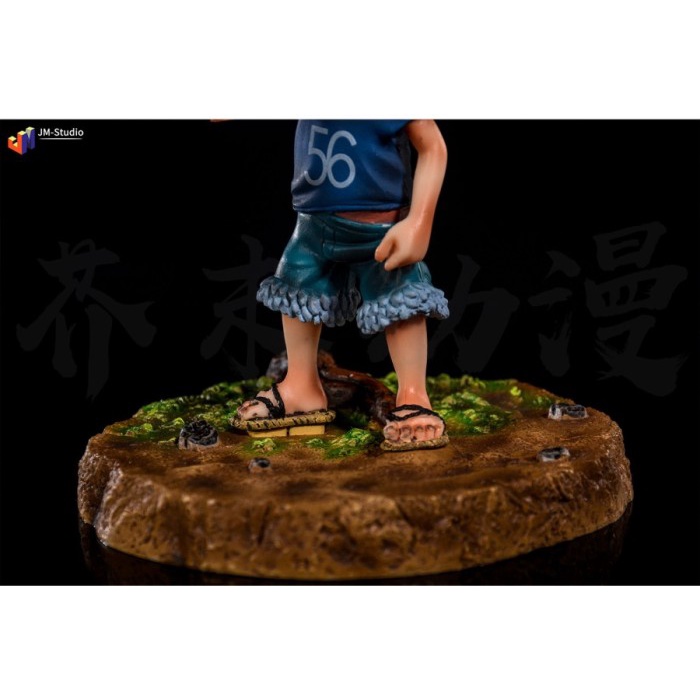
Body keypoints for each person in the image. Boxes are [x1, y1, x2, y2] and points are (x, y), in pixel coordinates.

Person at [233, 119, 449, 450]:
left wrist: (419, 223)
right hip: (312, 227)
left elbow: (432, 146)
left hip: (383, 229)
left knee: (401, 300)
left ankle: (413, 394)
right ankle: (301, 385)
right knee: (297, 288)